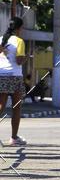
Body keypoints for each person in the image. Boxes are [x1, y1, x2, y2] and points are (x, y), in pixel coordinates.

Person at [0, 17, 27, 146]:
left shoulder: (0, 39)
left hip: (1, 75)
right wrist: (26, 57)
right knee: (16, 108)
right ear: (19, 28)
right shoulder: (19, 41)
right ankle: (13, 138)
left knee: (1, 107)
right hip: (15, 77)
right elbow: (19, 61)